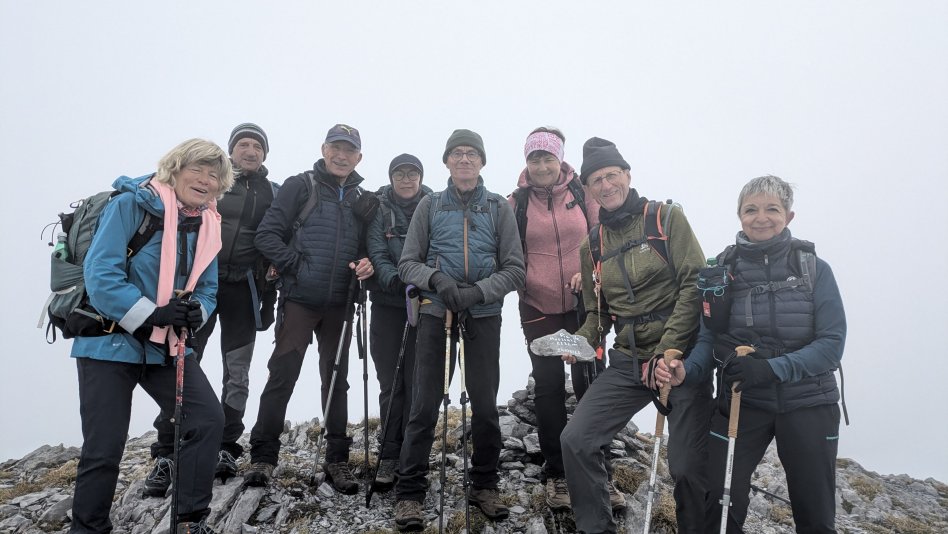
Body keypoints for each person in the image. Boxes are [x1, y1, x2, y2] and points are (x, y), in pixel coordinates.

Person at [661, 175, 846, 533]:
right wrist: (688, 371)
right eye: (751, 210)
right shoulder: (721, 273)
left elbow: (831, 344)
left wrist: (771, 369)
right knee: (719, 503)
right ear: (739, 215)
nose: (761, 218)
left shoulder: (815, 270)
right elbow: (707, 339)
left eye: (772, 209)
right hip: (741, 401)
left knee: (816, 516)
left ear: (789, 216)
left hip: (809, 402)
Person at [69, 139, 232, 533]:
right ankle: (88, 528)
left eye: (214, 175)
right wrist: (152, 314)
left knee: (207, 419)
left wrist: (197, 311)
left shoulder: (208, 225)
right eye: (197, 169)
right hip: (108, 342)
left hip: (166, 345)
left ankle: (189, 521)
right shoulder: (131, 206)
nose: (205, 180)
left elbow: (208, 288)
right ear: (175, 169)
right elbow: (101, 275)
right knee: (104, 447)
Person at [558, 138, 710, 534]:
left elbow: (694, 284)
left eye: (612, 175)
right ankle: (596, 528)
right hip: (628, 361)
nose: (606, 185)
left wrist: (668, 350)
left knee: (687, 467)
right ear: (587, 189)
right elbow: (598, 313)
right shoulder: (592, 245)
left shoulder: (665, 219)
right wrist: (581, 341)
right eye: (596, 180)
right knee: (576, 439)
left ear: (627, 174)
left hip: (679, 359)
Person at [393, 129, 525, 531]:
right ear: (447, 161)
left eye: (471, 153)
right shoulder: (430, 205)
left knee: (484, 405)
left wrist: (478, 293)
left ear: (482, 161)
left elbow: (515, 269)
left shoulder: (498, 207)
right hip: (436, 313)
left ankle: (484, 485)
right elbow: (407, 263)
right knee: (424, 404)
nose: (464, 159)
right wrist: (437, 280)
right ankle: (409, 493)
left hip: (483, 315)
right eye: (457, 153)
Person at [144, 124, 279, 496]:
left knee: (237, 372)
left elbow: (278, 239)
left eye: (257, 146)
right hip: (199, 285)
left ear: (265, 154)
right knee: (182, 364)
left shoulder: (273, 192)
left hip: (243, 289)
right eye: (243, 144)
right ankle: (167, 452)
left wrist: (270, 294)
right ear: (231, 151)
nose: (250, 151)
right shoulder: (212, 184)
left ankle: (226, 446)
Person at [244, 124, 376, 494]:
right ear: (323, 149)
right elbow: (267, 234)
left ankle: (337, 460)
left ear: (359, 157)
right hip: (299, 299)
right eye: (336, 148)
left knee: (336, 381)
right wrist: (296, 266)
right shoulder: (300, 185)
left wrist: (365, 262)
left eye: (349, 150)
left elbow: (366, 249)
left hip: (340, 304)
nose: (341, 156)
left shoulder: (362, 199)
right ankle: (263, 458)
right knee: (282, 375)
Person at [507, 127, 604, 511]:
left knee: (589, 380)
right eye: (535, 158)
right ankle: (557, 472)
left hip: (583, 303)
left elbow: (601, 238)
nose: (542, 165)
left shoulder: (582, 192)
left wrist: (589, 271)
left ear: (559, 159)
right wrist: (523, 281)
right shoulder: (516, 203)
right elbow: (507, 251)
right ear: (527, 162)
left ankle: (596, 466)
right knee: (547, 386)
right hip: (537, 306)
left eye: (547, 157)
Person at [364, 153, 432, 491]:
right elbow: (377, 251)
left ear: (421, 177)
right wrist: (396, 281)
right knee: (391, 383)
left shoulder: (434, 205)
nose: (406, 180)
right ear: (391, 178)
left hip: (426, 305)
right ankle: (390, 453)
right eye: (400, 174)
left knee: (417, 383)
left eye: (412, 174)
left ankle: (411, 455)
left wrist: (422, 281)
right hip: (388, 304)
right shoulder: (379, 208)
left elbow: (438, 248)